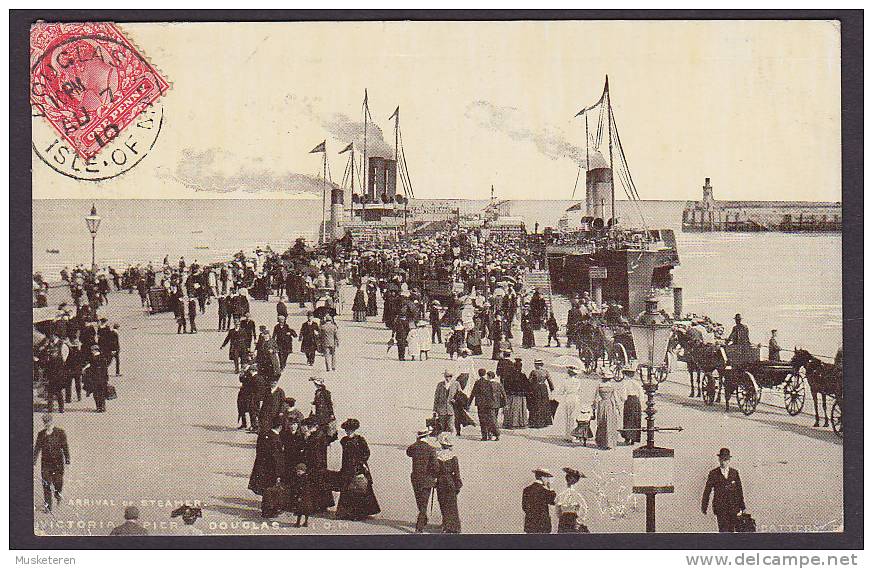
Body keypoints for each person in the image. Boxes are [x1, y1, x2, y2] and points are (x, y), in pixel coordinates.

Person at [336, 419, 381, 520]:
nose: (348, 432)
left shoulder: (360, 440)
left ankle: (360, 513)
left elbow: (366, 453)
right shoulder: (344, 440)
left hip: (358, 468)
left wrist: (359, 463)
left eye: (350, 430)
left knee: (360, 489)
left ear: (354, 430)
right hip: (347, 468)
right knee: (347, 489)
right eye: (347, 430)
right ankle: (345, 512)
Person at [702, 448, 746, 532]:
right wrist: (704, 506)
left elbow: (739, 491)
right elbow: (707, 491)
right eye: (721, 459)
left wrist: (742, 506)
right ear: (719, 459)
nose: (723, 462)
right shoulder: (713, 473)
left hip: (733, 507)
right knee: (723, 531)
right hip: (720, 508)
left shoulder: (734, 473)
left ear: (729, 460)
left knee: (732, 531)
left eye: (725, 460)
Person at [33, 414, 70, 513]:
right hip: (45, 463)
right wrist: (33, 461)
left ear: (52, 422)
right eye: (45, 423)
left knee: (58, 482)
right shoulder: (41, 434)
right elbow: (37, 448)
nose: (47, 424)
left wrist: (67, 459)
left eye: (48, 422)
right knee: (46, 484)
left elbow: (65, 446)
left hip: (58, 463)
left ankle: (58, 494)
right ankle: (48, 506)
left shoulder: (60, 433)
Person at [406, 429, 437, 532]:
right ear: (427, 437)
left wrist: (416, 442)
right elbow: (435, 466)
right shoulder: (431, 449)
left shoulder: (413, 447)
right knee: (424, 502)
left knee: (419, 500)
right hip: (427, 479)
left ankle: (423, 518)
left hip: (415, 478)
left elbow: (408, 453)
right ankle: (420, 525)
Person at [248, 415, 286, 497]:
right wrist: (279, 472)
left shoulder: (263, 435)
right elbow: (276, 456)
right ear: (280, 427)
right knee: (270, 489)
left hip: (261, 465)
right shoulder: (275, 438)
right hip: (271, 467)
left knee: (264, 488)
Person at [431, 432, 462, 533]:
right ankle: (454, 526)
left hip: (440, 481)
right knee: (452, 504)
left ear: (441, 444)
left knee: (442, 502)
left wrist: (434, 480)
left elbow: (434, 470)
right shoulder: (453, 457)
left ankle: (446, 523)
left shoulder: (437, 456)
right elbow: (457, 472)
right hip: (450, 481)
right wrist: (458, 484)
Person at [522, 468, 557, 534]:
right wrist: (550, 487)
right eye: (547, 477)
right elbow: (552, 500)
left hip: (530, 524)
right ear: (543, 477)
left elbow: (524, 507)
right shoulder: (544, 491)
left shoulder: (526, 490)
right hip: (543, 524)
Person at [555, 468, 589, 533]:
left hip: (567, 520)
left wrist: (578, 522)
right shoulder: (576, 495)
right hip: (568, 520)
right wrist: (579, 522)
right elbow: (584, 509)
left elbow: (557, 511)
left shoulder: (562, 495)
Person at [594, 370, 621, 449]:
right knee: (609, 422)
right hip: (609, 404)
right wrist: (618, 408)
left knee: (601, 422)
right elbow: (615, 398)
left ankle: (601, 442)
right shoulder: (612, 386)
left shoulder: (599, 385)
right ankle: (609, 442)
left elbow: (596, 398)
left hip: (602, 404)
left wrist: (594, 407)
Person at [558, 364, 583, 443]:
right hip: (575, 398)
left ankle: (568, 435)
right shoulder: (578, 381)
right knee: (574, 416)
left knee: (568, 416)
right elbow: (580, 391)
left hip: (568, 398)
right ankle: (574, 435)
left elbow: (561, 392)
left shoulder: (565, 381)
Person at [527, 359, 554, 428]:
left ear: (537, 365)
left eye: (535, 364)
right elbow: (550, 382)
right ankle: (544, 421)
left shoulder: (533, 372)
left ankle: (535, 422)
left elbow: (529, 381)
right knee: (544, 403)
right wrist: (552, 389)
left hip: (535, 388)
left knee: (536, 404)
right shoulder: (545, 372)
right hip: (543, 388)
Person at [82, 344, 109, 413]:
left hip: (95, 378)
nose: (91, 352)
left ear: (95, 350)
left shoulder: (93, 358)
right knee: (101, 393)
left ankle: (99, 407)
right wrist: (106, 378)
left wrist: (86, 370)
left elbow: (91, 368)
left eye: (92, 350)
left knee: (96, 394)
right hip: (102, 378)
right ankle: (102, 407)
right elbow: (105, 369)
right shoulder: (103, 357)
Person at [503, 359, 529, 429]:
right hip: (520, 396)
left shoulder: (509, 375)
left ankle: (510, 423)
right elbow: (527, 385)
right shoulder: (523, 375)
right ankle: (521, 423)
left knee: (511, 410)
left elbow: (505, 385)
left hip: (511, 396)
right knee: (520, 410)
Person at [620, 366, 642, 445]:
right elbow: (641, 394)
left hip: (629, 401)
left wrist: (623, 400)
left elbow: (623, 396)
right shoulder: (637, 383)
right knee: (636, 419)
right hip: (636, 401)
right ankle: (634, 438)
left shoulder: (625, 383)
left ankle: (627, 437)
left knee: (628, 419)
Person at [432, 370, 460, 435]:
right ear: (444, 376)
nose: (448, 378)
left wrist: (456, 400)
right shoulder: (440, 384)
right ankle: (443, 442)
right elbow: (436, 397)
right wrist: (434, 410)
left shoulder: (456, 384)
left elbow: (460, 395)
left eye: (450, 376)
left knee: (451, 426)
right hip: (441, 410)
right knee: (442, 428)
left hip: (451, 409)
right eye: (447, 376)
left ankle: (450, 441)